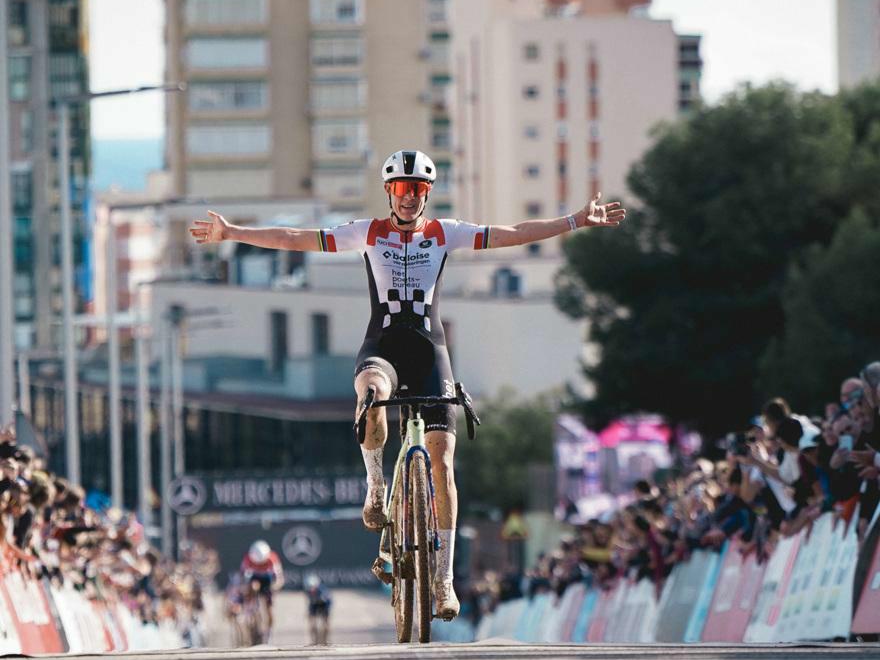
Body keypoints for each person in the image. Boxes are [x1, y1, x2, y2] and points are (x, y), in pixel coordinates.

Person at [192, 149, 626, 620]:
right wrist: (232, 232)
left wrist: (575, 221)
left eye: (417, 189)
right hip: (382, 347)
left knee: (442, 462)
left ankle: (442, 581)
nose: (408, 198)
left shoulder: (445, 233)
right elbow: (295, 238)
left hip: (429, 352)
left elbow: (513, 234)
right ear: (389, 193)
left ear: (427, 194)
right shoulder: (367, 233)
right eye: (400, 189)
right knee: (372, 392)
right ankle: (376, 486)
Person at [240, 540, 284, 639]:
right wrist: (245, 589)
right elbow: (242, 576)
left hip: (267, 580)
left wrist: (275, 587)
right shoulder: (248, 558)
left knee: (269, 608)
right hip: (254, 578)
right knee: (252, 587)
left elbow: (279, 578)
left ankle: (269, 630)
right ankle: (251, 608)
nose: (259, 565)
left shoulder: (272, 558)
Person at [303, 573, 332, 645]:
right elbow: (310, 603)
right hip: (314, 604)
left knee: (325, 622)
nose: (311, 589)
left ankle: (326, 640)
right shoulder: (308, 590)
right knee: (312, 622)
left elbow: (327, 603)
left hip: (324, 604)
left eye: (312, 587)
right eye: (309, 587)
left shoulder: (322, 591)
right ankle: (314, 640)